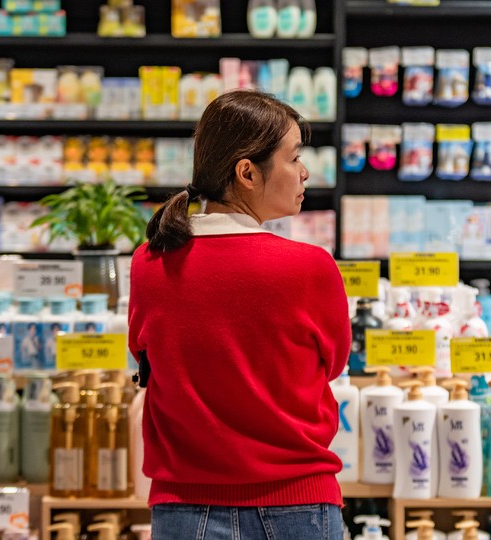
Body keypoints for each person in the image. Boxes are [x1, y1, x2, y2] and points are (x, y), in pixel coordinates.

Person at [128, 90, 351, 540]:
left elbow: (145, 357)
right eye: (293, 159)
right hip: (299, 502)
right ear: (247, 172)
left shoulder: (150, 263)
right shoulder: (309, 267)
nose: (304, 172)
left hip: (183, 508)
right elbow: (333, 364)